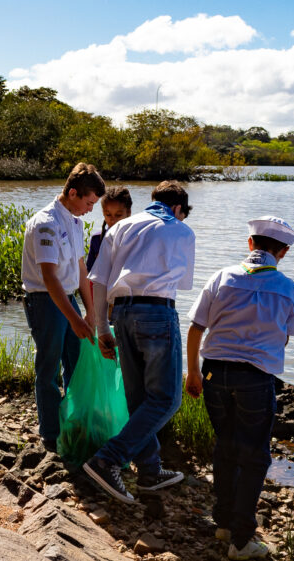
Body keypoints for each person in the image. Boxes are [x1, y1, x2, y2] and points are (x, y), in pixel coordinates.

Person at [185, 216, 294, 560]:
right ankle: (241, 540)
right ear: (284, 252)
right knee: (254, 457)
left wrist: (192, 373)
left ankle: (223, 523)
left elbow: (196, 328)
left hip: (214, 374)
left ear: (250, 244)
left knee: (226, 446)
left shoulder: (221, 277)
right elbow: (287, 336)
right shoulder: (289, 289)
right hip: (255, 378)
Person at [83, 181, 195, 504]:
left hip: (121, 315)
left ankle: (149, 470)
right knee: (167, 399)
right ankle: (108, 459)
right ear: (178, 209)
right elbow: (181, 284)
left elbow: (99, 280)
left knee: (138, 397)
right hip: (157, 313)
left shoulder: (119, 228)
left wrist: (103, 327)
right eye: (183, 215)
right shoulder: (182, 232)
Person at [21, 162, 106, 451]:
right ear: (72, 193)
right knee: (49, 368)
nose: (91, 209)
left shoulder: (75, 221)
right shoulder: (46, 223)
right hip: (45, 301)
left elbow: (81, 270)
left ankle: (73, 421)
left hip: (66, 299)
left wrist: (90, 312)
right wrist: (74, 319)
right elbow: (49, 276)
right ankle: (51, 434)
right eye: (89, 202)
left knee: (75, 362)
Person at [86, 186, 133, 272]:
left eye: (118, 215)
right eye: (108, 215)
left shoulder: (136, 239)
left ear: (129, 213)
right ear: (103, 213)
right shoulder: (96, 239)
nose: (113, 220)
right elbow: (89, 272)